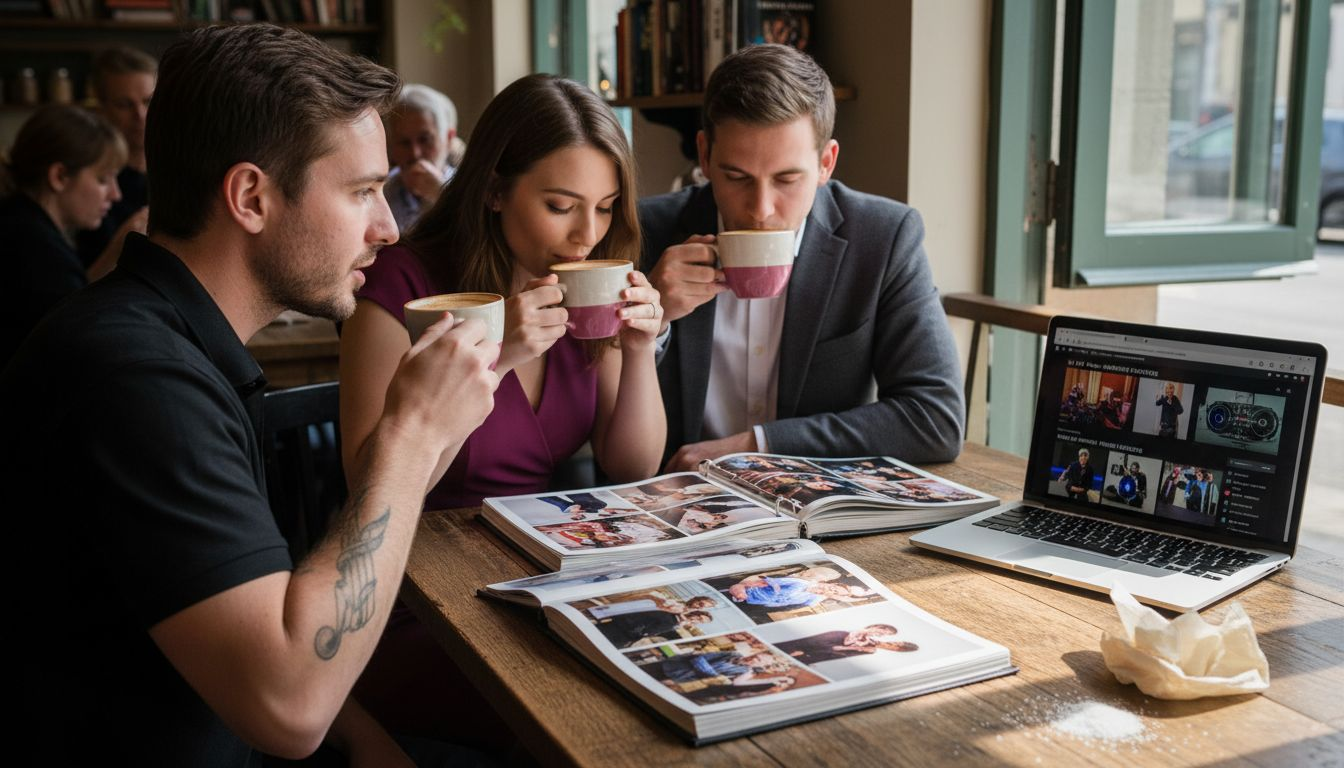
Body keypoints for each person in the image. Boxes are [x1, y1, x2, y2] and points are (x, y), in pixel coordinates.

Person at [3, 23, 502, 766]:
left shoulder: (174, 341)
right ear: (250, 197)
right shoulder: (136, 378)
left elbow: (268, 605)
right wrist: (412, 433)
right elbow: (290, 706)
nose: (389, 228)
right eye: (364, 190)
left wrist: (363, 736)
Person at [342, 73, 665, 513]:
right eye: (561, 207)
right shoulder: (401, 284)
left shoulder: (584, 289)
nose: (588, 235)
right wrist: (498, 356)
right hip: (423, 557)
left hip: (540, 550)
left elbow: (632, 468)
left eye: (605, 208)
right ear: (495, 191)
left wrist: (639, 347)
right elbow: (370, 493)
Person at [639, 44, 963, 471]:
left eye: (787, 179)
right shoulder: (645, 233)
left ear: (826, 163)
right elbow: (593, 422)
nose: (761, 209)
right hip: (674, 506)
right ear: (704, 156)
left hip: (815, 509)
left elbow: (935, 418)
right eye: (736, 177)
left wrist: (760, 445)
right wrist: (653, 320)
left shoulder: (883, 239)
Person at [1, 104, 126, 363]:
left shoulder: (20, 223)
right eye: (103, 179)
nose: (115, 194)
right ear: (59, 176)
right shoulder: (36, 252)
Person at [76, 46, 155, 272]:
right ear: (101, 109)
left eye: (148, 101)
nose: (140, 115)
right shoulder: (87, 183)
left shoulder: (183, 169)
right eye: (124, 104)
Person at [383, 83, 459, 232]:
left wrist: (442, 195)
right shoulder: (382, 193)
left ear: (449, 139)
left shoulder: (470, 189)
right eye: (404, 142)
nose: (415, 153)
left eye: (425, 140)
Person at [774, 625, 919, 665]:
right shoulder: (848, 634)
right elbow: (815, 644)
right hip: (806, 647)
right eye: (896, 642)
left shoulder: (870, 650)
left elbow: (833, 653)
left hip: (813, 656)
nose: (891, 643)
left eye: (897, 646)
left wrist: (856, 647)